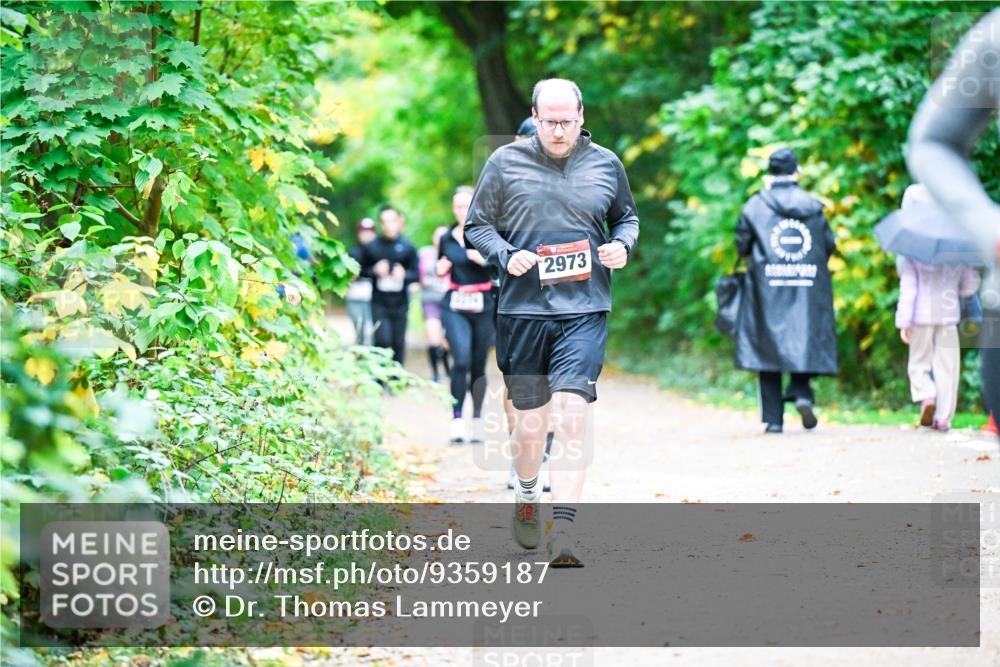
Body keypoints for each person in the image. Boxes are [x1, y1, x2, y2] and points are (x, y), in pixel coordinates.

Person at [465, 78, 640, 567]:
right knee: (529, 429)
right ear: (534, 118)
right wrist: (506, 255)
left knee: (571, 415)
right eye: (549, 122)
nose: (558, 131)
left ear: (582, 117)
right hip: (523, 312)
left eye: (567, 122)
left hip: (584, 309)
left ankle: (563, 532)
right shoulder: (504, 163)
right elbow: (476, 226)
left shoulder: (606, 164)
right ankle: (526, 492)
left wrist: (621, 246)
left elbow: (627, 218)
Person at [906, 9, 1000, 442]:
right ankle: (941, 410)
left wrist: (903, 314)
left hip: (933, 309)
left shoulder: (917, 213)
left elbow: (907, 268)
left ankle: (932, 402)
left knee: (929, 358)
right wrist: (987, 229)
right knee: (946, 359)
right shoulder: (995, 38)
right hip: (957, 308)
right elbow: (932, 141)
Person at [734, 148, 838, 434]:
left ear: (769, 173)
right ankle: (802, 393)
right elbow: (828, 244)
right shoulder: (813, 205)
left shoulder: (756, 205)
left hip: (766, 287)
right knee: (805, 335)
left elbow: (741, 245)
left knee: (765, 344)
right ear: (797, 171)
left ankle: (774, 419)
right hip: (807, 285)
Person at [895, 185, 981, 432]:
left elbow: (909, 287)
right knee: (948, 367)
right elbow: (968, 285)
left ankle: (927, 395)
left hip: (920, 316)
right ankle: (943, 418)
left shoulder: (912, 246)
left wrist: (904, 321)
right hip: (948, 315)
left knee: (918, 363)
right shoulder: (955, 243)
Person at [439, 186, 496, 443]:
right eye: (458, 207)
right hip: (455, 302)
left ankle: (477, 419)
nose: (462, 211)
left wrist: (482, 259)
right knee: (460, 359)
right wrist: (440, 268)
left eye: (466, 206)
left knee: (478, 364)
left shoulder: (488, 234)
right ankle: (457, 418)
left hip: (483, 302)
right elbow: (441, 266)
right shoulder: (446, 238)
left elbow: (503, 264)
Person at [357, 205, 420, 364]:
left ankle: (397, 377)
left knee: (398, 341)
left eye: (392, 221)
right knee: (382, 339)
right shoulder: (371, 247)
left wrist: (404, 275)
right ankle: (379, 377)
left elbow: (417, 275)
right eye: (384, 221)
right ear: (380, 224)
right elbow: (359, 271)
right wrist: (375, 271)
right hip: (379, 303)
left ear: (399, 222)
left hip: (400, 303)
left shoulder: (408, 247)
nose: (388, 225)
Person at [418, 226, 452, 382]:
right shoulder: (424, 254)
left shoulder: (454, 253)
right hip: (430, 301)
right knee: (433, 338)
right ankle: (435, 372)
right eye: (437, 236)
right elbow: (415, 274)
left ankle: (446, 366)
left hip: (449, 302)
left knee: (447, 341)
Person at [346, 218, 376, 345]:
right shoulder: (353, 251)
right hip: (355, 294)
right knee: (358, 328)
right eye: (364, 232)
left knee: (371, 329)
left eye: (369, 232)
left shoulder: (379, 251)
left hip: (371, 295)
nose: (366, 235)